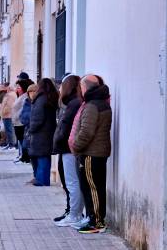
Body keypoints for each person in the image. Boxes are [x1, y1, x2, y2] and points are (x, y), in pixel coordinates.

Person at [70, 74, 112, 233]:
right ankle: (93, 218)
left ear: (85, 87)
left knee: (92, 188)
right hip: (98, 152)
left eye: (81, 87)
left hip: (91, 153)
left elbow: (86, 132)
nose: (80, 90)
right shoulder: (102, 103)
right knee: (96, 187)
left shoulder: (92, 105)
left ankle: (96, 222)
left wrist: (75, 146)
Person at [52, 74, 85, 225]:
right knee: (71, 182)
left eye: (61, 86)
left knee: (72, 182)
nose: (59, 89)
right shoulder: (72, 103)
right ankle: (73, 213)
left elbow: (67, 128)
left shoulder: (74, 104)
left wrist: (58, 139)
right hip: (67, 147)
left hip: (68, 148)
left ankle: (75, 214)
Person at [28, 78, 59, 186]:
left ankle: (41, 180)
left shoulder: (41, 99)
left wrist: (31, 129)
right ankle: (44, 179)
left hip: (40, 133)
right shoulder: (51, 97)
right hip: (49, 131)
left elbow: (37, 118)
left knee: (41, 156)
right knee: (45, 155)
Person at [0, 83, 17, 148]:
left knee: (9, 130)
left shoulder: (10, 95)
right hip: (8, 115)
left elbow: (9, 105)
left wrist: (3, 112)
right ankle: (9, 144)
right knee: (9, 130)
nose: (6, 89)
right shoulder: (12, 94)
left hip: (7, 115)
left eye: (7, 88)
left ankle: (11, 145)